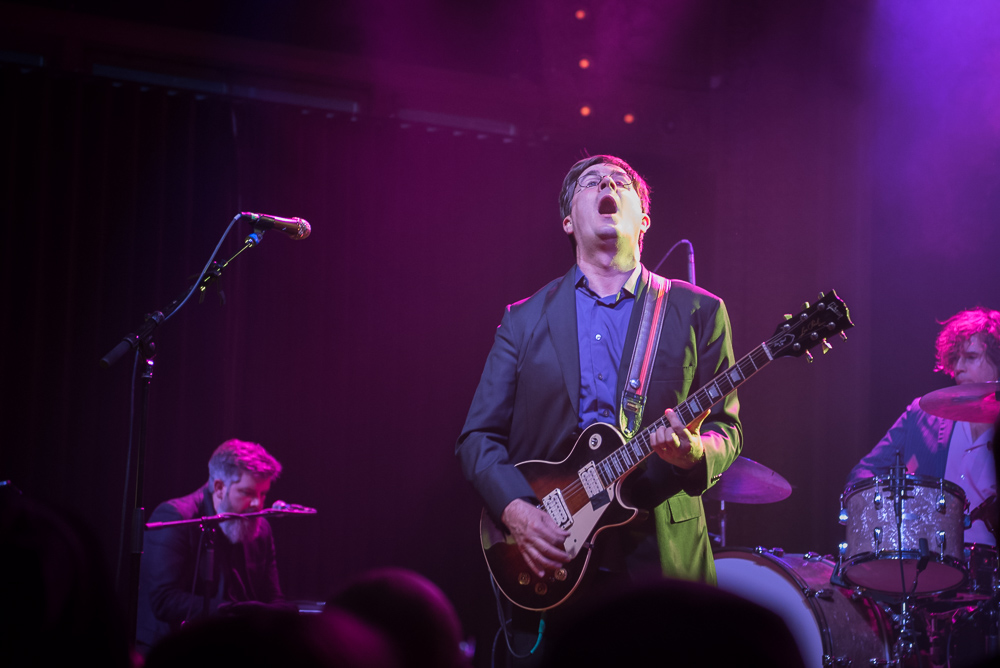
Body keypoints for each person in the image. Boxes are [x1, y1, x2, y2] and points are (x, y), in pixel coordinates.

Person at [456, 155, 742, 663]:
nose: (607, 184)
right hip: (552, 556)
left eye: (621, 182)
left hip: (661, 555)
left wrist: (693, 451)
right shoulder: (523, 320)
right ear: (569, 220)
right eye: (591, 182)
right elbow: (478, 439)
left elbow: (728, 429)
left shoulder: (698, 310)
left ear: (643, 219)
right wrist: (517, 511)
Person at [847, 307, 999, 545]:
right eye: (954, 358)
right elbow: (864, 474)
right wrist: (889, 517)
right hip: (932, 564)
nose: (958, 367)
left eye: (970, 357)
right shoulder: (923, 414)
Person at [136, 439, 286, 654]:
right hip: (171, 651)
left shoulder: (261, 529)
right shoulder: (176, 516)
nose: (258, 504)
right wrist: (234, 613)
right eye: (248, 492)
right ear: (218, 487)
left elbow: (273, 597)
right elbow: (164, 599)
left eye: (263, 494)